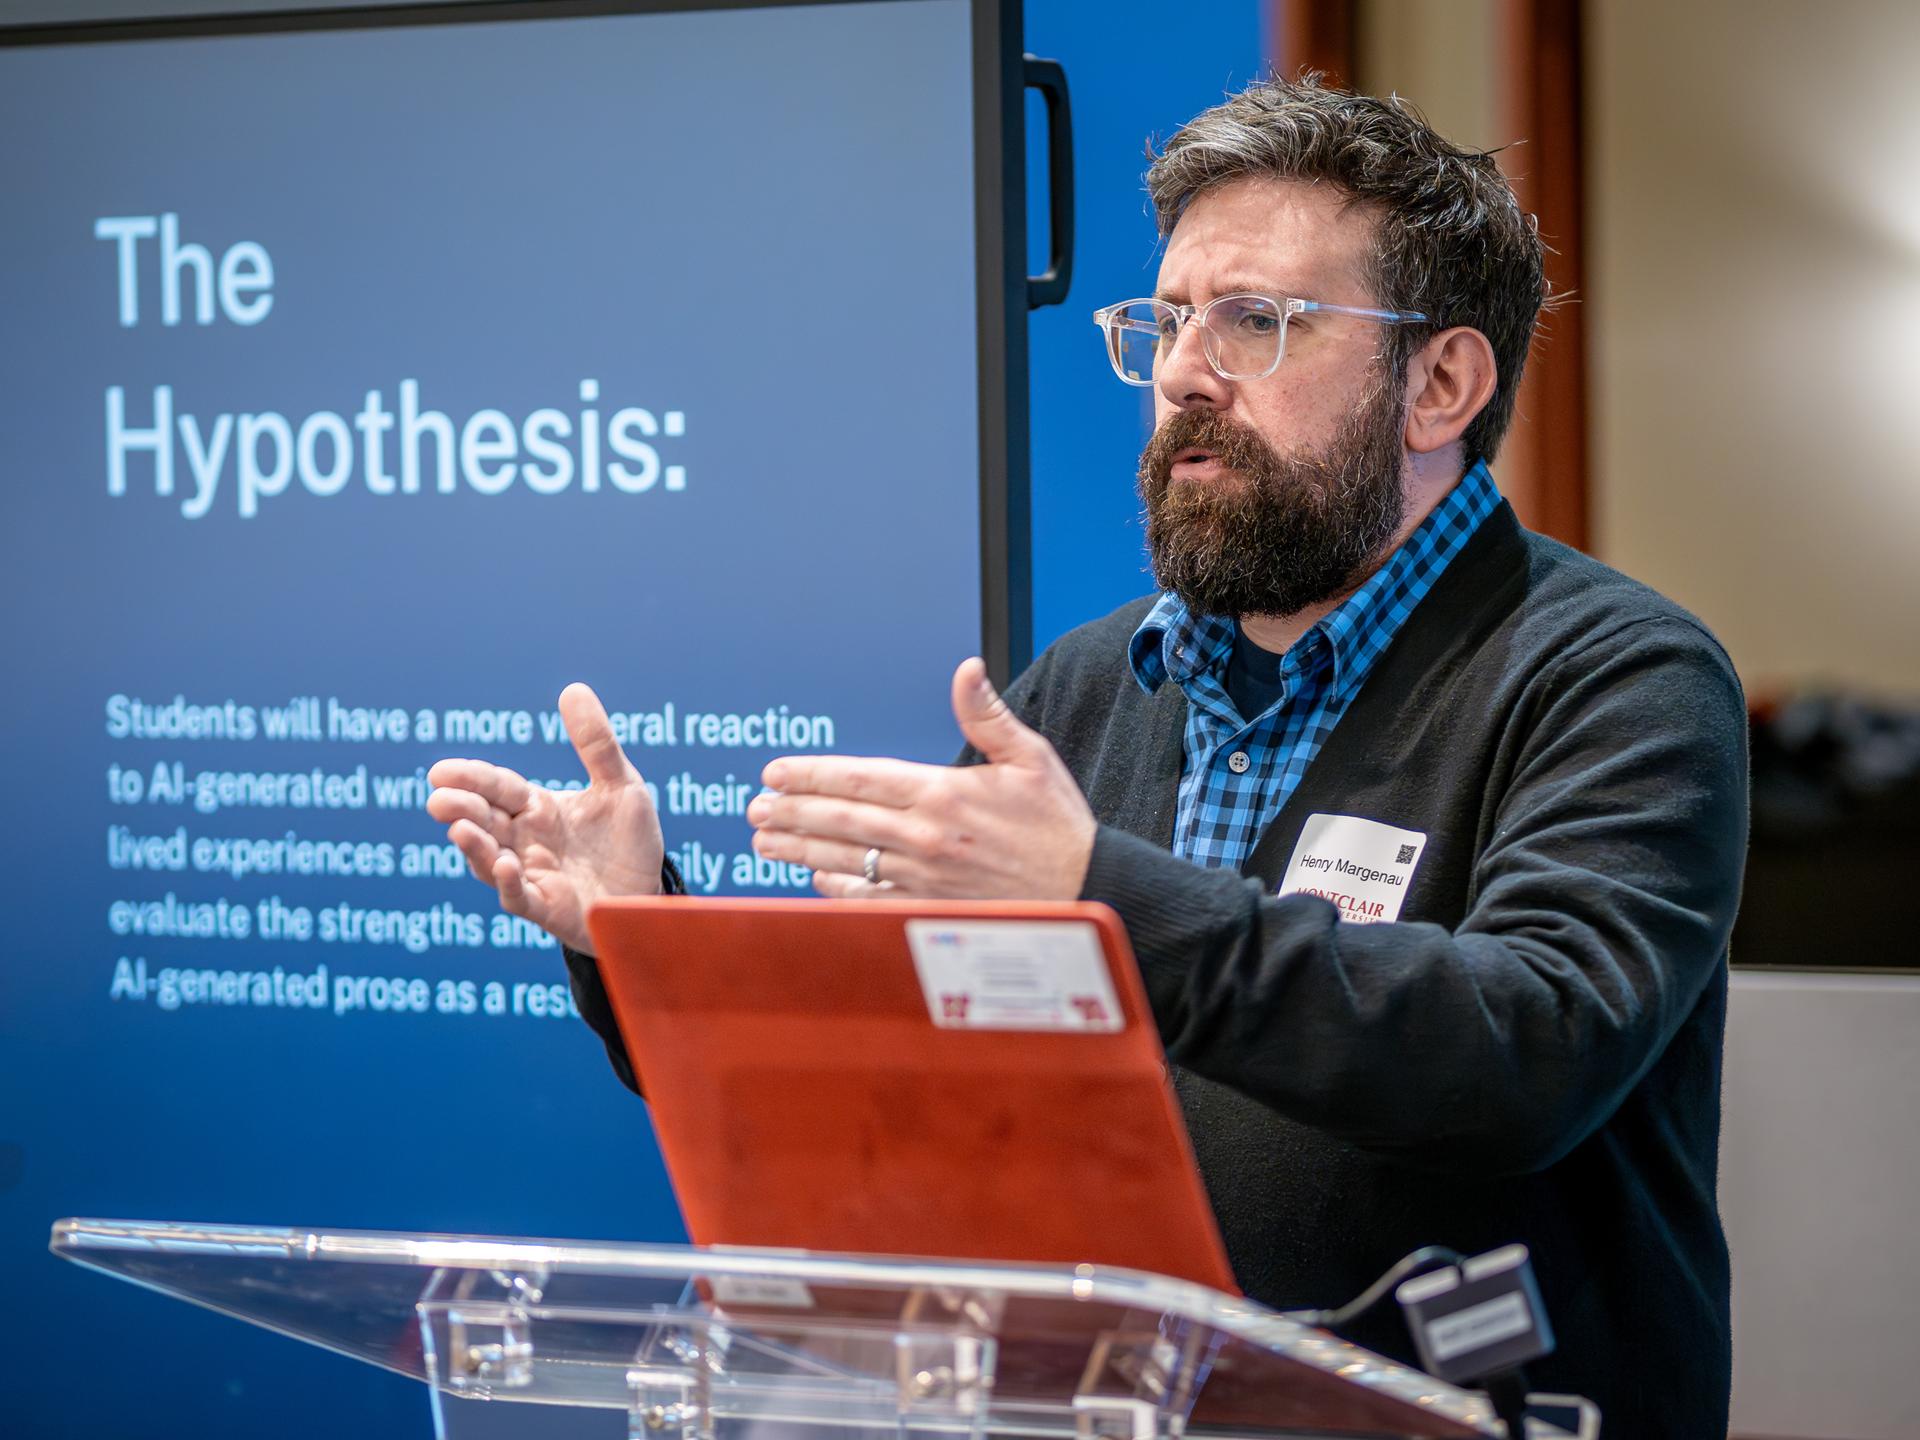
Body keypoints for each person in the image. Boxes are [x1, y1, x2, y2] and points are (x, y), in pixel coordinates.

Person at [426, 78, 1746, 1438]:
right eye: (1170, 321)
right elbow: (898, 1102)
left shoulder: (1616, 675)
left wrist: (1091, 894)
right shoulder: (1083, 688)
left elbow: (1524, 1050)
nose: (1184, 370)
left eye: (1258, 321)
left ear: (1443, 383)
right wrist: (641, 941)